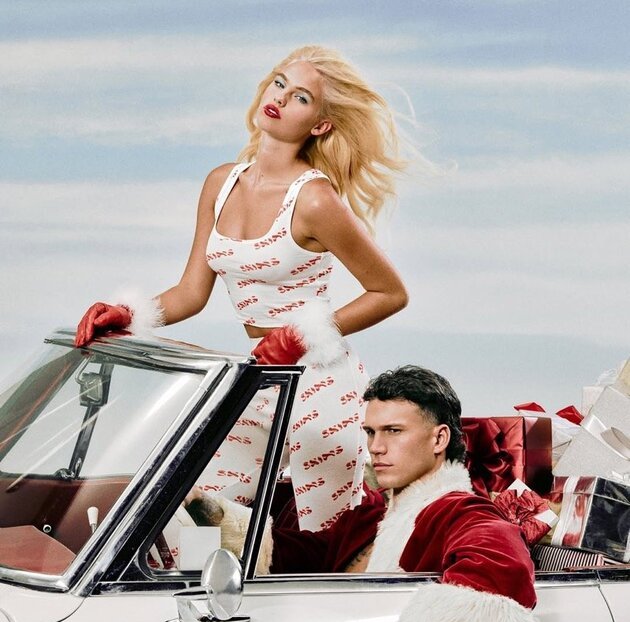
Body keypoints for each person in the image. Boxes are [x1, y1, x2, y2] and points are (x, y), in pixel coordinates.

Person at [74, 45, 409, 532]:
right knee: (205, 522)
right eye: (279, 83)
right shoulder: (220, 183)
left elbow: (390, 292)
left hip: (322, 387)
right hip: (257, 378)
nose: (281, 98)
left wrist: (298, 335)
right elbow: (191, 293)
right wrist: (128, 313)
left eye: (301, 98)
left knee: (323, 540)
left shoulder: (315, 200)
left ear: (320, 125)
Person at [205, 365, 540, 622]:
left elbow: (503, 566)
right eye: (370, 432)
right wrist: (213, 513)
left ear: (439, 439)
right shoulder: (368, 516)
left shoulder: (460, 511)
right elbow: (305, 556)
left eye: (393, 431)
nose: (376, 448)